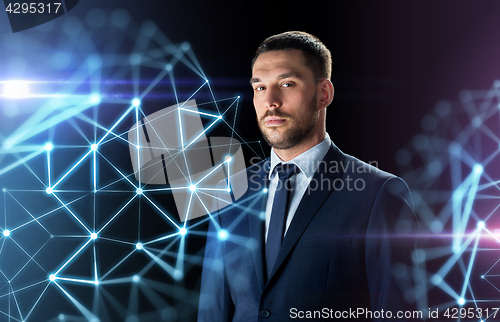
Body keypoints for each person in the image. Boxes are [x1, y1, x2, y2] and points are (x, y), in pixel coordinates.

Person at [198, 31, 422, 321]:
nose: (271, 101)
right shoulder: (229, 191)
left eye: (287, 84)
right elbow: (213, 311)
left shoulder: (378, 194)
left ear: (324, 94)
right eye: (260, 88)